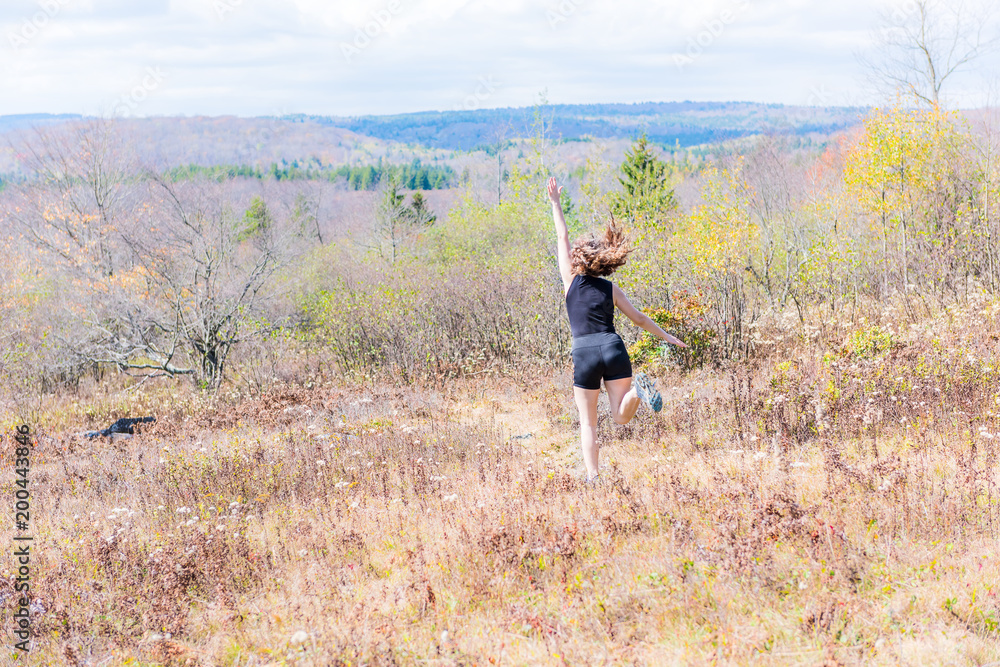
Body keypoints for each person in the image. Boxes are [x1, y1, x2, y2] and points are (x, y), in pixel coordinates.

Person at [547, 177, 687, 483]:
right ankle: (639, 389)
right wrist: (666, 335)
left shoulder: (570, 281)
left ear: (579, 258)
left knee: (589, 423)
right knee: (622, 417)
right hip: (613, 348)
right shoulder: (610, 288)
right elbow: (638, 319)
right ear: (604, 263)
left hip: (584, 352)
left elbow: (561, 236)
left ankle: (593, 476)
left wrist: (556, 202)